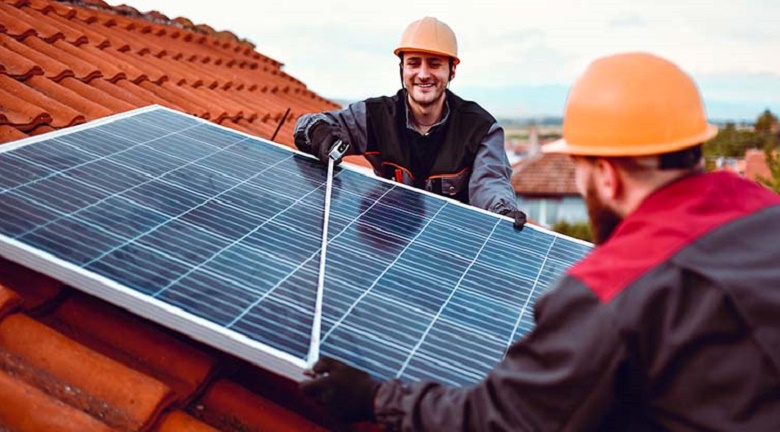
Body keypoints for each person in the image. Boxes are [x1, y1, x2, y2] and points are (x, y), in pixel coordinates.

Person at [299, 52, 780, 430]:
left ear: (607, 177)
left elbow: (506, 417)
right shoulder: (765, 211)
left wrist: (376, 397)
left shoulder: (607, 292)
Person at [293, 17, 527, 230]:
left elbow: (490, 181)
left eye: (434, 64)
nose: (423, 74)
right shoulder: (376, 116)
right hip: (393, 238)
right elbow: (311, 124)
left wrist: (502, 211)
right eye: (414, 63)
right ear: (402, 68)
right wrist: (317, 131)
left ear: (452, 70)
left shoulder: (480, 128)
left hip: (454, 246)